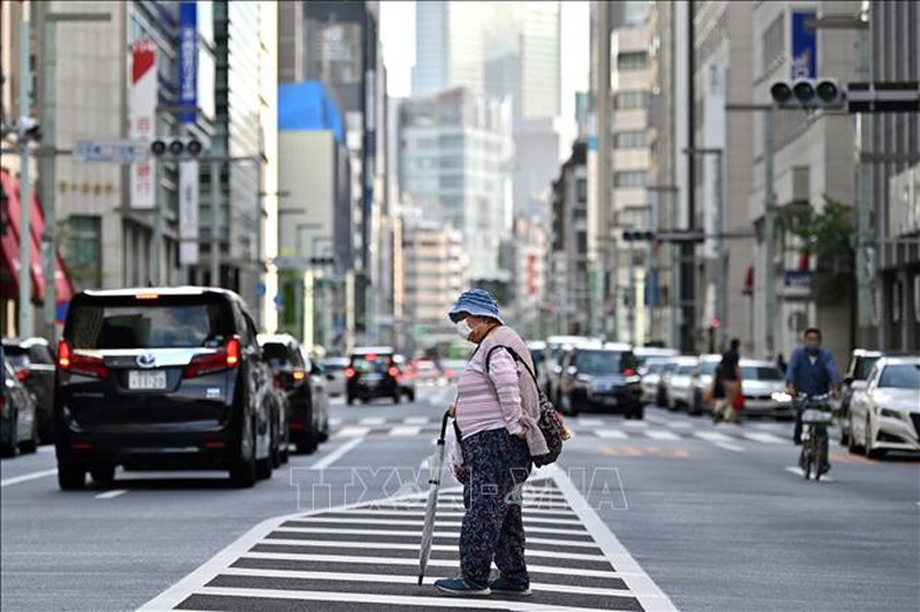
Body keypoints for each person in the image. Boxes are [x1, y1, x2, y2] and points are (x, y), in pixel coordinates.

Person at [434, 288, 548, 597]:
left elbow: (507, 384)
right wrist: (463, 407)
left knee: (483, 509)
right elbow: (491, 388)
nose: (464, 325)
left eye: (466, 318)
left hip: (495, 443)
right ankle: (513, 575)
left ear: (484, 318)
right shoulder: (497, 342)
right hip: (496, 442)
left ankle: (474, 577)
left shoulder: (496, 344)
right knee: (505, 509)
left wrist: (513, 424)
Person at [785, 327, 841, 470]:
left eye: (815, 340)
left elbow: (832, 370)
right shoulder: (798, 354)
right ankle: (800, 442)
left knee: (822, 429)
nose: (812, 343)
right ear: (805, 341)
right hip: (803, 394)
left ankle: (822, 460)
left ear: (820, 341)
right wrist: (791, 386)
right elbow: (792, 369)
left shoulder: (825, 355)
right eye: (810, 339)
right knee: (801, 416)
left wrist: (835, 387)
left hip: (820, 395)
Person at [713, 338, 742, 423]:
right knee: (731, 399)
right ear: (737, 345)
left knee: (727, 398)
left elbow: (720, 366)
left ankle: (726, 415)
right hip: (732, 379)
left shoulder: (725, 354)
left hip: (724, 379)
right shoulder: (735, 354)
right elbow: (735, 367)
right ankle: (721, 412)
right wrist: (739, 379)